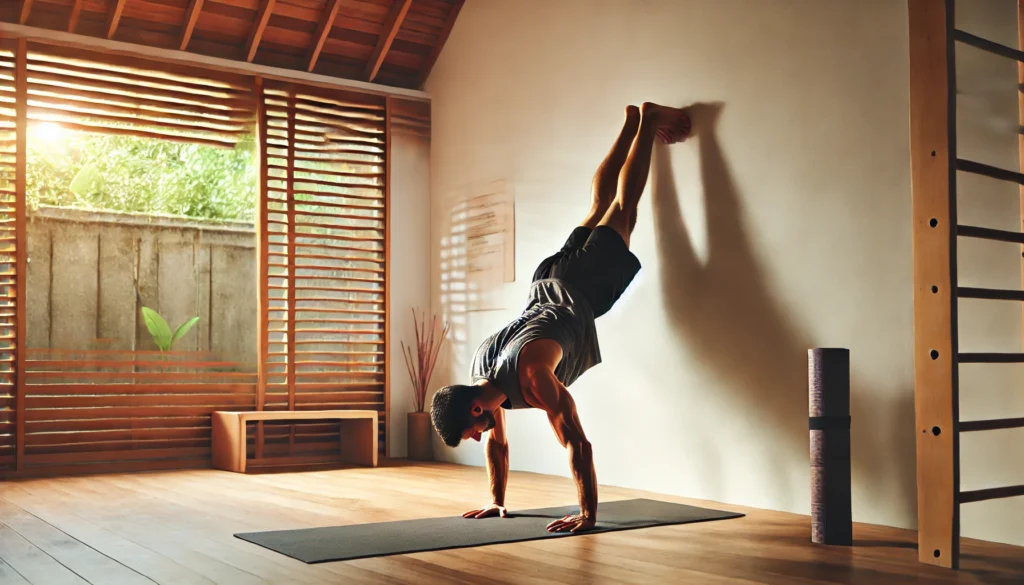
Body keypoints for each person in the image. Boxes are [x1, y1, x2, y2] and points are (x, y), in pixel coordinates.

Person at [430, 102, 692, 533]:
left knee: (625, 207)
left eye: (472, 431)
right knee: (599, 204)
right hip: (546, 280)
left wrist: (588, 515)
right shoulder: (482, 370)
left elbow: (577, 441)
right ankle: (629, 124)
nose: (479, 437)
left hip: (582, 286)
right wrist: (496, 502)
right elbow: (497, 447)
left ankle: (648, 121)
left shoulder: (533, 375)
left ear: (475, 408)